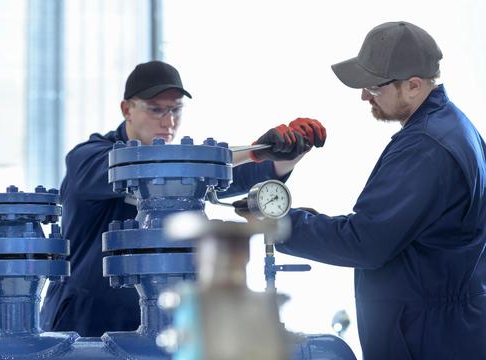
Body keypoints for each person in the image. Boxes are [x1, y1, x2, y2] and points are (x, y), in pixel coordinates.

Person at [236, 21, 486, 360]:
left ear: (413, 86)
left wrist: (280, 224)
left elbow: (364, 242)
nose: (365, 95)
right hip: (448, 328)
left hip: (425, 337)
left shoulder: (425, 147)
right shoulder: (454, 127)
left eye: (374, 86)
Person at [40, 60, 326, 336]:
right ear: (127, 109)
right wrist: (253, 151)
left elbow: (227, 177)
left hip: (154, 318)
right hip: (82, 320)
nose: (169, 121)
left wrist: (285, 156)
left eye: (176, 110)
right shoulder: (87, 159)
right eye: (156, 110)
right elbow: (139, 167)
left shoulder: (178, 172)